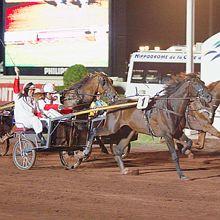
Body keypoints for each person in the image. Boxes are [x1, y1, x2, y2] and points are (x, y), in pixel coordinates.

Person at [13, 67, 46, 146]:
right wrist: (17, 74)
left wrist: (43, 116)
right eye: (31, 90)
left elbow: (36, 113)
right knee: (35, 119)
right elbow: (16, 87)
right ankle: (41, 138)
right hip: (22, 121)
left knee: (47, 121)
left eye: (34, 90)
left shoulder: (33, 101)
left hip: (30, 120)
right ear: (26, 89)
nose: (33, 91)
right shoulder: (19, 97)